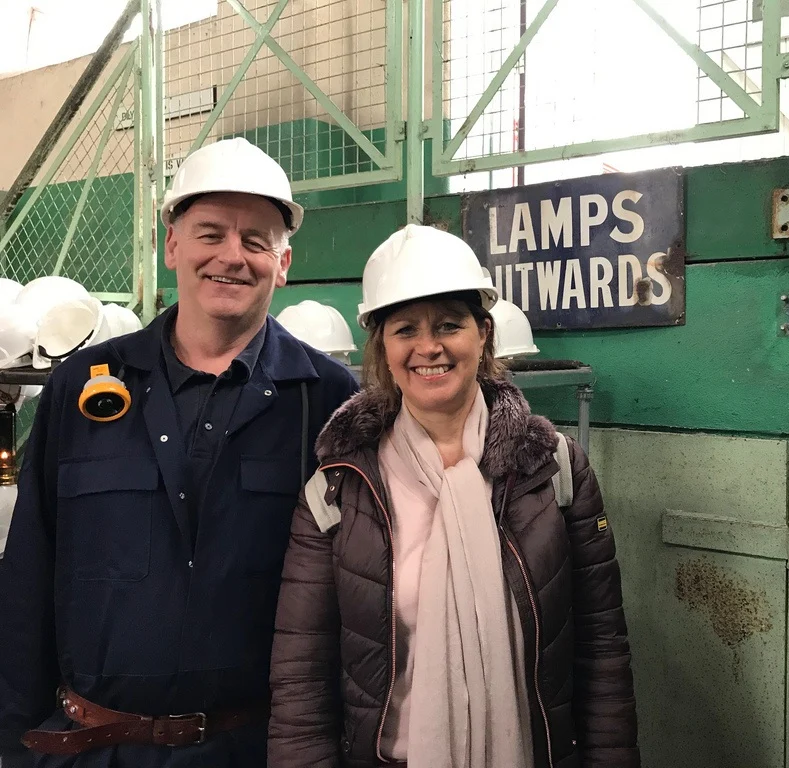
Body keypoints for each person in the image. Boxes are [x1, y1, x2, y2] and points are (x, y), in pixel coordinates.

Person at [0, 137, 359, 767]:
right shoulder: (80, 388)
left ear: (284, 262)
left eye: (256, 241)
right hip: (89, 749)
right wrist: (13, 740)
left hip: (254, 751)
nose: (231, 257)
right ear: (172, 245)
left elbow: (358, 593)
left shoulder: (326, 399)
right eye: (210, 233)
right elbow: (29, 573)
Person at [267, 224, 640, 768]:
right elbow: (301, 677)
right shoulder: (338, 487)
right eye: (405, 330)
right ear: (382, 347)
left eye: (449, 325)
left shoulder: (554, 469)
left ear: (483, 333)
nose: (428, 347)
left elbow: (602, 650)